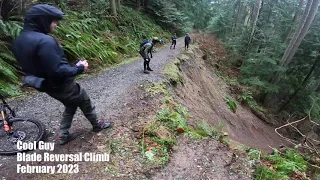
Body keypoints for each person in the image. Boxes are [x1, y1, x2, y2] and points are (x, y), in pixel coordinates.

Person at [12, 4, 111, 145]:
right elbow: (59, 71)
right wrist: (80, 68)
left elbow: (43, 65)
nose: (56, 25)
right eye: (53, 21)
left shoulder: (18, 41)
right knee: (85, 102)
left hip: (45, 85)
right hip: (62, 85)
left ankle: (63, 135)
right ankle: (97, 125)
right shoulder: (45, 41)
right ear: (42, 20)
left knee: (71, 105)